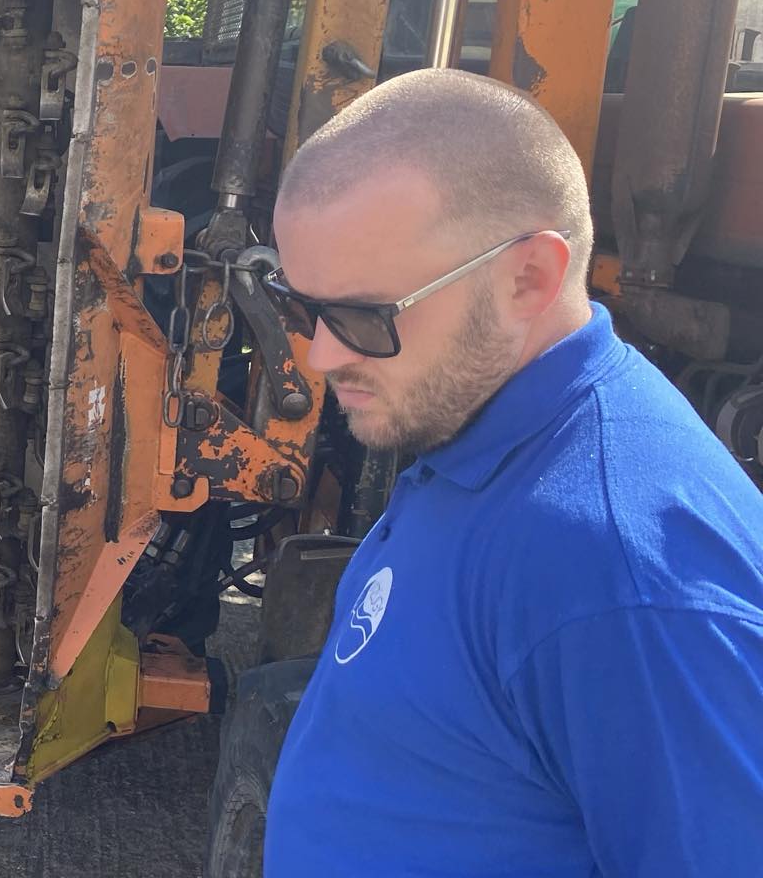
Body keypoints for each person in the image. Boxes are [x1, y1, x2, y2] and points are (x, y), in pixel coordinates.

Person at [261, 68, 763, 874]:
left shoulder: (616, 574)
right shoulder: (482, 432)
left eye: (361, 316)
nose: (320, 356)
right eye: (302, 307)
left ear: (528, 277)